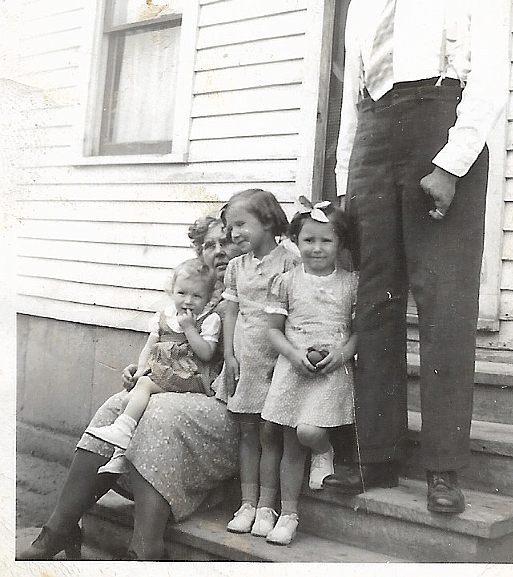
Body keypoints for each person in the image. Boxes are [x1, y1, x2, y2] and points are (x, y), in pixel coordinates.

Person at [324, 0, 507, 514]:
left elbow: (488, 79)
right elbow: (355, 103)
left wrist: (451, 164)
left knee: (445, 303)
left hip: (439, 123)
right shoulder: (362, 4)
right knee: (375, 300)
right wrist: (350, 186)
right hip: (375, 141)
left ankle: (443, 467)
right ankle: (376, 456)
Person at [17, 216, 243, 561]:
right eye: (209, 245)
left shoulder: (246, 291)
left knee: (159, 415)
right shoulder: (190, 296)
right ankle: (59, 529)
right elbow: (160, 345)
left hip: (226, 402)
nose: (218, 252)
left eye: (224, 242)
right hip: (179, 390)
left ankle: (145, 548)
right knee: (117, 405)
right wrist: (142, 370)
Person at [260, 200, 358, 545]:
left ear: (341, 244)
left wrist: (343, 354)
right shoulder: (285, 282)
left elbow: (359, 330)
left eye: (326, 241)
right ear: (295, 242)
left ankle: (324, 451)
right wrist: (293, 354)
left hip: (331, 370)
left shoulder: (351, 283)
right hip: (295, 367)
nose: (317, 249)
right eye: (308, 240)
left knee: (309, 432)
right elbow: (273, 328)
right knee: (290, 444)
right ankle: (288, 515)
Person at [213, 189, 300, 537]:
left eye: (240, 224)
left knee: (271, 431)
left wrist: (286, 359)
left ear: (267, 221)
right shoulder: (236, 266)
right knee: (247, 432)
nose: (234, 233)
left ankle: (268, 506)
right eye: (229, 226)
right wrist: (230, 356)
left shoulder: (290, 260)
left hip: (277, 357)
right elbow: (231, 310)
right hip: (245, 356)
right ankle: (248, 503)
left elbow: (296, 312)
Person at [85, 259, 219, 463]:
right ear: (172, 291)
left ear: (208, 298)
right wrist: (140, 369)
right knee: (130, 397)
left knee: (145, 384)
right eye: (182, 293)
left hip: (190, 375)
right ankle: (120, 455)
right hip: (163, 372)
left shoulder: (209, 319)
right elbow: (149, 346)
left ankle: (123, 429)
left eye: (197, 295)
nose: (188, 301)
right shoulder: (164, 316)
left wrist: (190, 329)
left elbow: (207, 353)